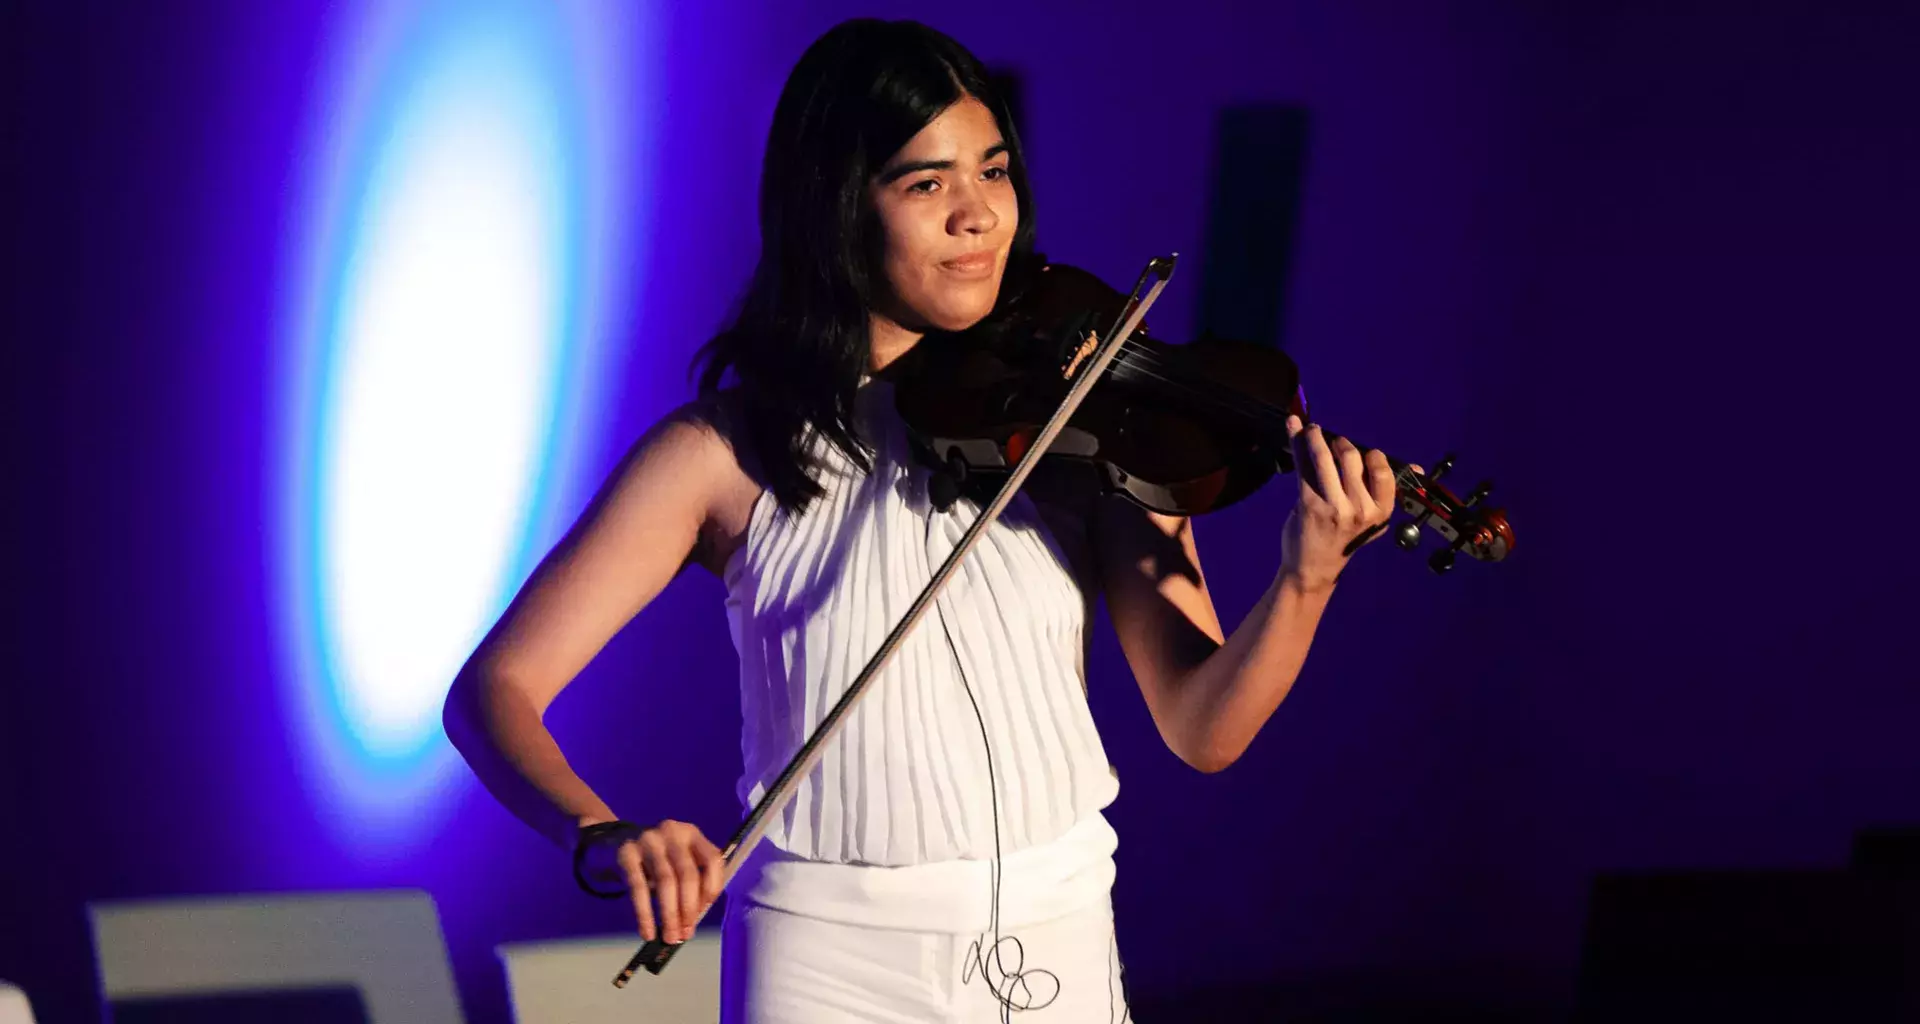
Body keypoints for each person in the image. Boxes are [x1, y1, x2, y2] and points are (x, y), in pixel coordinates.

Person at [444, 17, 1404, 1023]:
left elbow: (1205, 727)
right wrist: (600, 834)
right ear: (837, 209)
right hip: (825, 955)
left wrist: (1308, 577)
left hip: (1057, 925)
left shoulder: (1088, 419)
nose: (979, 216)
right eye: (926, 183)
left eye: (993, 171)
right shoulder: (722, 452)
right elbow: (494, 689)